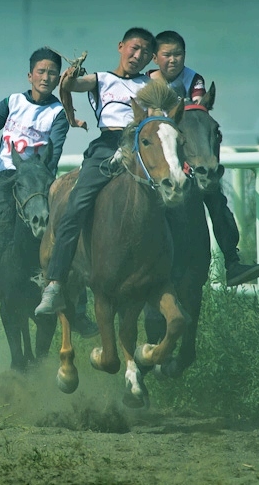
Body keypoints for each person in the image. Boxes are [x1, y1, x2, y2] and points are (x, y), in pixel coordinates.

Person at [35, 27, 156, 315]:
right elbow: (73, 86)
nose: (138, 56)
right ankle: (54, 282)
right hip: (107, 145)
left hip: (141, 145)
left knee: (170, 197)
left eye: (145, 53)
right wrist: (70, 81)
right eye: (134, 48)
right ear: (120, 47)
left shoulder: (150, 86)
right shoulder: (101, 79)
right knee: (75, 204)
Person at [0, 47, 68, 329]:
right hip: (2, 181)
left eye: (52, 73)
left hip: (36, 184)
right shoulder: (14, 101)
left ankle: (74, 304)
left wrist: (37, 175)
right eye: (41, 71)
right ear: (30, 75)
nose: (46, 77)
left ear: (58, 78)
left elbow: (53, 155)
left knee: (68, 236)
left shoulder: (58, 113)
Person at [149, 29, 259, 287]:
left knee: (216, 198)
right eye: (167, 55)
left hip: (188, 148)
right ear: (155, 58)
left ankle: (231, 261)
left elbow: (198, 107)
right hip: (158, 151)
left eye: (178, 54)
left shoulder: (194, 79)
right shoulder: (145, 82)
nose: (173, 60)